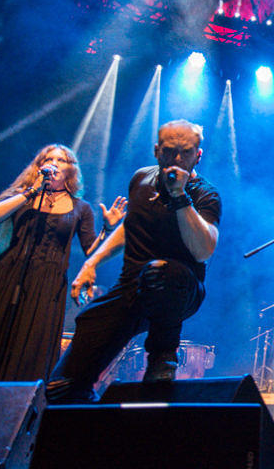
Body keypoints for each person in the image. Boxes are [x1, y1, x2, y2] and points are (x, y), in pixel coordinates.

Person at [46, 120, 220, 402]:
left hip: (180, 289)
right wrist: (91, 263)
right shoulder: (140, 180)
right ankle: (81, 405)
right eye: (169, 151)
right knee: (62, 384)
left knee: (159, 273)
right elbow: (130, 226)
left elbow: (203, 250)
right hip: (133, 288)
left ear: (198, 155)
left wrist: (179, 196)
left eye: (186, 152)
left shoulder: (205, 194)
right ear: (156, 151)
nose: (177, 159)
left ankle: (163, 357)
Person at [0, 144, 126, 381]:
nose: (53, 164)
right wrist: (31, 191)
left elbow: (91, 251)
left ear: (71, 169)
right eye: (48, 159)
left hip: (48, 283)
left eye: (60, 160)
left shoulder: (81, 208)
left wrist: (108, 229)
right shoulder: (25, 196)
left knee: (30, 345)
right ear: (39, 166)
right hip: (7, 274)